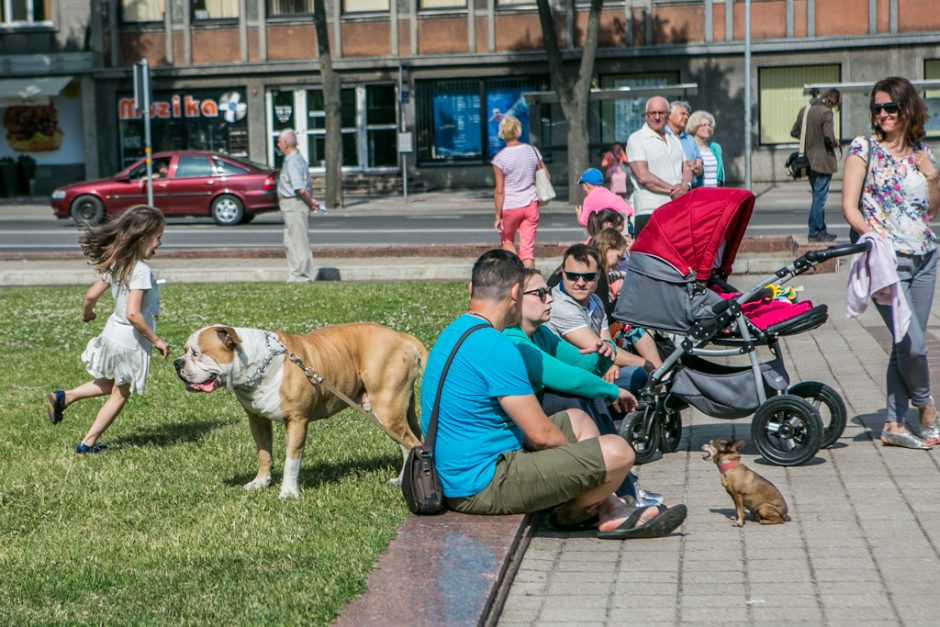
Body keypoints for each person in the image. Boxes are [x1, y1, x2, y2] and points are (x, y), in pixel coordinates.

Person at [421, 249, 686, 537]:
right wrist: (586, 466)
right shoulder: (497, 347)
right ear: (515, 293)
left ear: (471, 289)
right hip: (481, 483)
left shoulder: (455, 330)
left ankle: (609, 508)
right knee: (619, 453)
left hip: (459, 470)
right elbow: (542, 436)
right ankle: (573, 513)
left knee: (578, 419)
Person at [505, 268, 663, 507]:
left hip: (538, 416)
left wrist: (606, 350)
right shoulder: (513, 340)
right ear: (516, 298)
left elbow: (583, 365)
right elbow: (567, 378)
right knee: (579, 395)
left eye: (548, 291)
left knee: (587, 395)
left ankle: (624, 487)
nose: (550, 299)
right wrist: (612, 390)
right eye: (540, 293)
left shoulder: (541, 334)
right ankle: (623, 490)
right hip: (519, 429)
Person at [842, 76, 940, 450]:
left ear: (907, 108)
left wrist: (932, 176)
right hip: (887, 262)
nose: (882, 114)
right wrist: (873, 237)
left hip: (925, 257)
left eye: (890, 108)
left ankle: (894, 425)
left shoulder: (921, 151)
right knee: (913, 344)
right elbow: (849, 207)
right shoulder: (863, 147)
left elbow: (930, 211)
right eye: (876, 108)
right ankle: (926, 406)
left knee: (904, 343)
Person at [45, 205, 170, 454]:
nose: (159, 244)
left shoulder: (119, 262)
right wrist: (156, 340)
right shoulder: (141, 270)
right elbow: (133, 313)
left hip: (112, 333)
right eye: (158, 238)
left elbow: (90, 295)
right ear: (143, 238)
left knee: (113, 382)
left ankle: (64, 397)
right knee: (120, 393)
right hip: (129, 338)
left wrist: (87, 313)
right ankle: (87, 443)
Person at [546, 244, 659, 396]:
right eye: (573, 276)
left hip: (592, 369)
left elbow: (607, 345)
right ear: (563, 274)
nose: (580, 283)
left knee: (641, 372)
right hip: (568, 379)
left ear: (599, 275)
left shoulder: (595, 300)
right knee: (639, 375)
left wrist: (611, 362)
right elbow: (600, 349)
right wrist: (649, 365)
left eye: (588, 277)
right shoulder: (559, 306)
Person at [626, 96, 692, 236]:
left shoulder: (674, 139)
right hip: (650, 210)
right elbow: (643, 176)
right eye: (652, 113)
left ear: (668, 115)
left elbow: (686, 167)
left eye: (661, 113)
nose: (657, 117)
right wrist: (674, 189)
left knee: (676, 256)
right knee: (650, 256)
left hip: (677, 208)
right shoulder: (637, 139)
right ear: (646, 116)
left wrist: (686, 185)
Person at [492, 115, 544, 269]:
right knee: (527, 251)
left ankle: (515, 275)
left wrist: (497, 216)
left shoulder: (499, 159)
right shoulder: (532, 151)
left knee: (507, 241)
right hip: (531, 205)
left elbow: (499, 191)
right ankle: (531, 287)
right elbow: (546, 175)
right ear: (518, 130)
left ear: (502, 133)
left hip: (510, 207)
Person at [791, 88, 841, 242]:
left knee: (817, 196)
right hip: (823, 161)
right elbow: (828, 137)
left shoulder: (804, 111)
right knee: (819, 198)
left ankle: (820, 229)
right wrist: (835, 143)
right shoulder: (826, 113)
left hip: (808, 160)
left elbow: (794, 132)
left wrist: (809, 140)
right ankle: (816, 232)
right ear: (833, 100)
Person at [276, 128, 320, 284]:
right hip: (291, 204)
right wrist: (311, 201)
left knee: (298, 241)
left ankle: (303, 276)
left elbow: (300, 188)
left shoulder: (293, 161)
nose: (278, 144)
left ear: (286, 143)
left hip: (294, 204)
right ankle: (295, 274)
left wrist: (310, 202)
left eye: (280, 141)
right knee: (290, 241)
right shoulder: (295, 159)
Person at [665, 100, 703, 182]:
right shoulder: (661, 136)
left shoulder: (689, 139)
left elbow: (699, 165)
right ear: (669, 115)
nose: (686, 117)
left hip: (690, 190)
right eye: (682, 113)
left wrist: (697, 168)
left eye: (687, 115)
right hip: (668, 190)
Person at [687, 110, 725, 188]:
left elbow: (721, 174)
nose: (707, 128)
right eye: (703, 125)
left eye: (709, 125)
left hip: (715, 192)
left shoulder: (716, 147)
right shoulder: (688, 147)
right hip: (698, 192)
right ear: (695, 127)